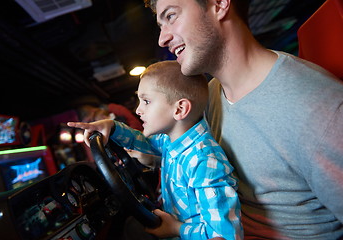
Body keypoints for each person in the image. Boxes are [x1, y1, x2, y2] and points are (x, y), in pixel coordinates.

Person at [143, 0, 343, 239]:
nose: (162, 39)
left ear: (219, 4)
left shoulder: (319, 109)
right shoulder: (211, 95)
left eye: (171, 16)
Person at [68, 60, 243, 240]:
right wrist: (111, 127)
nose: (138, 110)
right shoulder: (171, 140)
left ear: (180, 109)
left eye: (146, 101)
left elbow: (223, 236)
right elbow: (143, 141)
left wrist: (177, 229)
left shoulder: (204, 161)